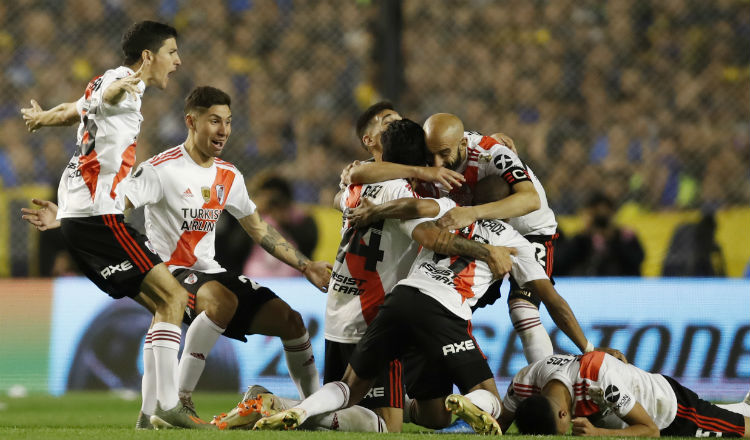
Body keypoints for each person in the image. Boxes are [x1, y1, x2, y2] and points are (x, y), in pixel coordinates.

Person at [252, 119, 605, 434]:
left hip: (400, 298)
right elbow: (553, 302)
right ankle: (485, 411)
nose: (437, 166)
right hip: (442, 312)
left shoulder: (450, 208)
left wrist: (376, 210)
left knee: (357, 389)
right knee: (491, 394)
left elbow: (413, 206)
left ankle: (296, 409)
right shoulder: (511, 243)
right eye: (430, 158)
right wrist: (589, 351)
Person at [22, 86, 333, 429]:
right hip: (171, 271)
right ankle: (178, 401)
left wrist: (306, 265)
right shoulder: (159, 169)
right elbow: (113, 206)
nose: (223, 130)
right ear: (191, 122)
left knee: (292, 323)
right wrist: (67, 216)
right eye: (214, 121)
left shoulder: (229, 175)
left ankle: (313, 410)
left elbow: (259, 229)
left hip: (211, 271)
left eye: (228, 122)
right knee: (222, 301)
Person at [18, 21, 207, 429]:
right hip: (100, 220)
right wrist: (125, 86)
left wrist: (43, 118)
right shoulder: (121, 82)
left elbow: (77, 109)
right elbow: (108, 95)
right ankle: (169, 406)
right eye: (172, 53)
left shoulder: (101, 80)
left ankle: (148, 415)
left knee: (163, 307)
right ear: (147, 57)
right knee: (175, 299)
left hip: (79, 219)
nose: (177, 62)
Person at [346, 112, 558, 368]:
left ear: (462, 144)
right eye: (430, 155)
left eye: (444, 154)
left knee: (522, 307)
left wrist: (472, 212)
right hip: (478, 226)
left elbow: (530, 200)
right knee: (445, 302)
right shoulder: (431, 154)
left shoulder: (492, 153)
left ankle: (547, 380)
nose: (437, 162)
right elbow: (363, 174)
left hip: (528, 228)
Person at [500, 352, 750, 437]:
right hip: (628, 408)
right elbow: (499, 425)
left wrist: (597, 433)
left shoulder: (599, 382)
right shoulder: (524, 381)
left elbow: (650, 430)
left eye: (560, 430)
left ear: (563, 413)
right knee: (735, 411)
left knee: (739, 429)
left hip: (668, 410)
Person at [556, 192, 644, 276]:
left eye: (604, 216)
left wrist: (613, 239)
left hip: (619, 283)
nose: (600, 220)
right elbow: (561, 263)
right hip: (584, 283)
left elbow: (638, 261)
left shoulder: (624, 237)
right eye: (596, 215)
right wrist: (584, 236)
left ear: (613, 213)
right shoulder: (580, 239)